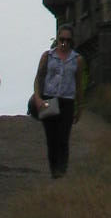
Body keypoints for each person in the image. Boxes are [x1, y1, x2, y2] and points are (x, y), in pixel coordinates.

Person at [31, 26, 85, 179]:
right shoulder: (47, 56)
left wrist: (80, 107)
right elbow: (39, 78)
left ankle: (62, 168)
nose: (64, 43)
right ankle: (54, 168)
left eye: (68, 40)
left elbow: (79, 84)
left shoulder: (77, 60)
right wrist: (38, 98)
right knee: (51, 136)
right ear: (57, 39)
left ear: (71, 41)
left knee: (63, 136)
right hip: (49, 98)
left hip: (67, 101)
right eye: (62, 39)